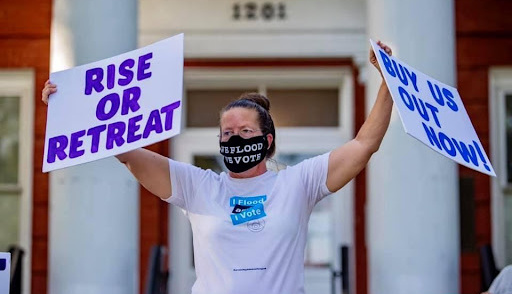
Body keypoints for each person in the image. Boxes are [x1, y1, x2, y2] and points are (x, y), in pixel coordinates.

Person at [42, 41, 393, 294]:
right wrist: (69, 107)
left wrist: (388, 87)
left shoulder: (299, 183)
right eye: (228, 133)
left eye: (245, 132)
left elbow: (364, 144)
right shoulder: (199, 186)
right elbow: (127, 153)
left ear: (267, 140)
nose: (235, 139)